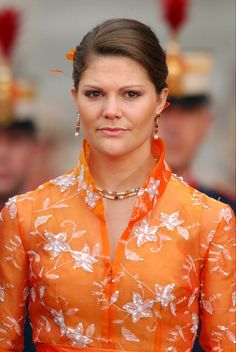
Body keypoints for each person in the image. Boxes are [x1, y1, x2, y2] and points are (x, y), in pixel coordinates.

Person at [0, 18, 235, 352]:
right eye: (95, 93)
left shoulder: (209, 221)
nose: (111, 111)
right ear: (75, 99)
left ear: (159, 102)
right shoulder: (25, 217)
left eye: (131, 94)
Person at [159, 52, 236, 213]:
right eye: (164, 111)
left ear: (206, 123)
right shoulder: (108, 208)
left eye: (188, 112)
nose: (174, 127)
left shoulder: (227, 213)